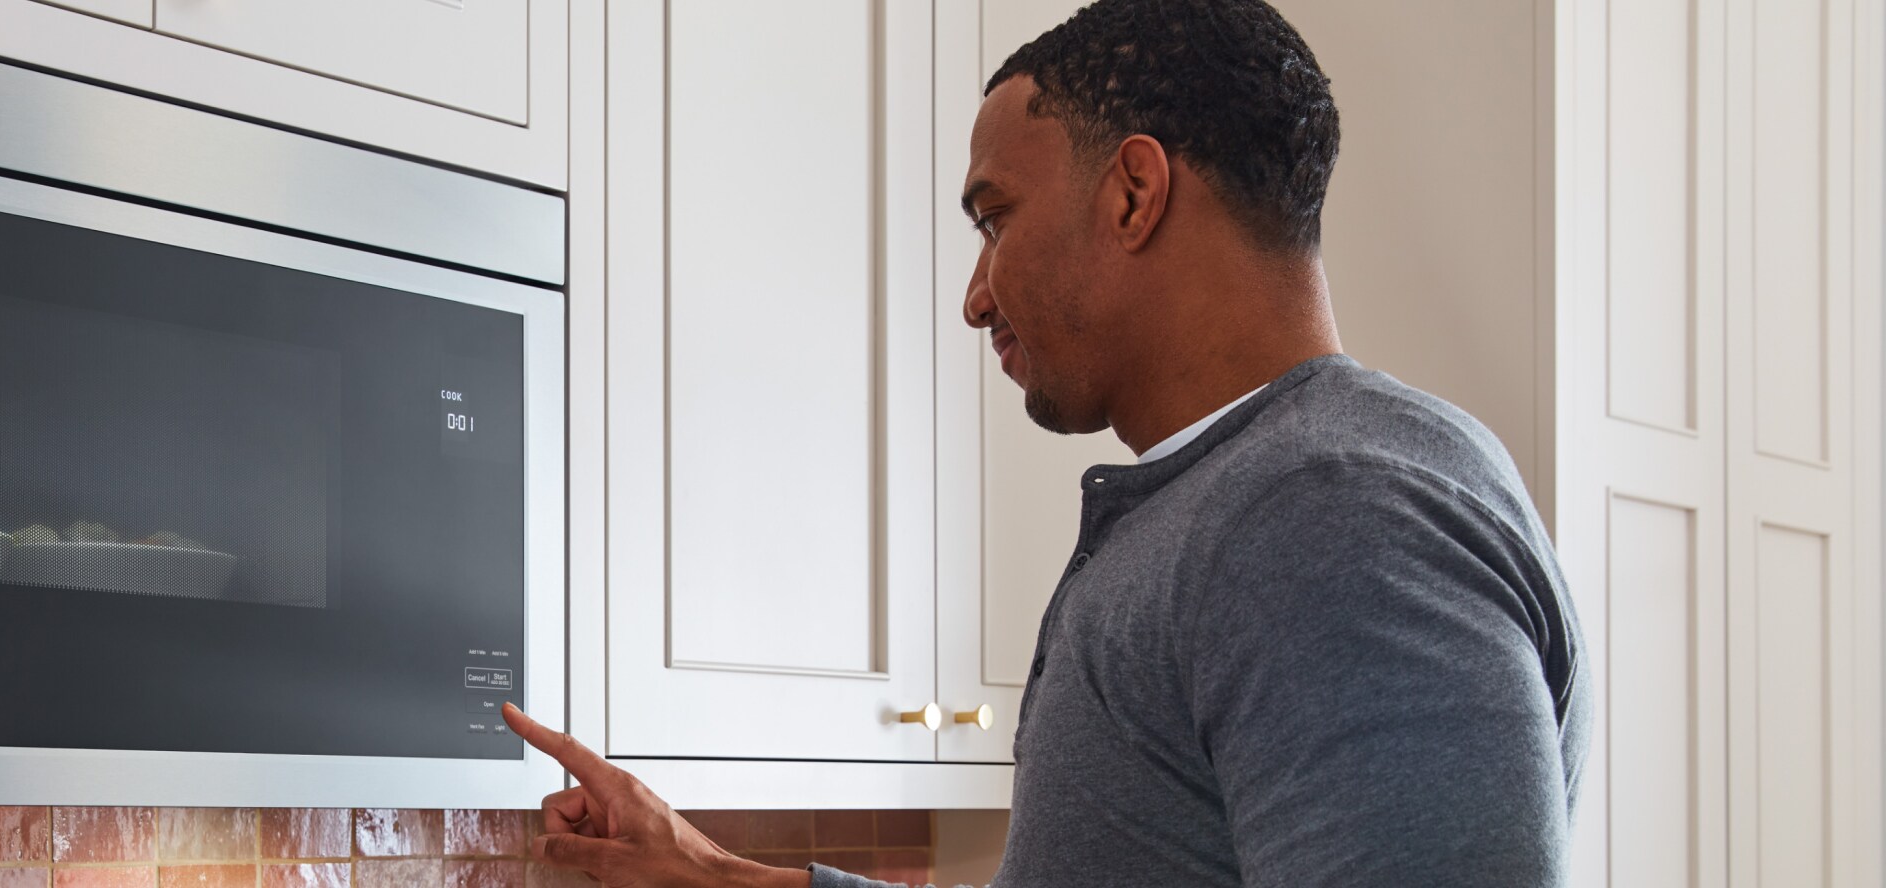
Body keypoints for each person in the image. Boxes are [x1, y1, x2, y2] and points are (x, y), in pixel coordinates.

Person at [496, 0, 1592, 885]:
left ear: (1132, 194)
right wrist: (710, 874)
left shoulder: (1329, 517)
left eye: (993, 217)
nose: (976, 297)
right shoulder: (1259, 501)